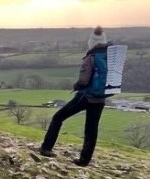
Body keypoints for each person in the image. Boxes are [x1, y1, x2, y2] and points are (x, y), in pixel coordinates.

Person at [39, 26, 110, 166]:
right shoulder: (110, 57)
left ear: (91, 43)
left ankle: (46, 148)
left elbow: (84, 80)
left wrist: (76, 85)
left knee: (58, 117)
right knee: (91, 129)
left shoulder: (91, 57)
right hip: (100, 98)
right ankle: (84, 160)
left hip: (86, 96)